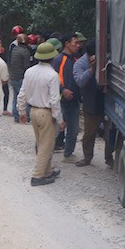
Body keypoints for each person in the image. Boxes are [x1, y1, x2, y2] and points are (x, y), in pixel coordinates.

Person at [17, 42, 65, 186]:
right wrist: (60, 119)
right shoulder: (52, 75)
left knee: (41, 142)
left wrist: (21, 111)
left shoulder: (29, 71)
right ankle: (37, 176)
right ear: (52, 57)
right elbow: (55, 100)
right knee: (46, 146)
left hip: (33, 111)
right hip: (46, 113)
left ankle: (48, 170)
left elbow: (22, 94)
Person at [73, 39, 113, 167]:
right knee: (89, 133)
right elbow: (79, 81)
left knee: (109, 133)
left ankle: (109, 158)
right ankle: (87, 157)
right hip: (91, 103)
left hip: (107, 102)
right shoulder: (80, 63)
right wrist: (92, 69)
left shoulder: (108, 60)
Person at [51, 33, 81, 161]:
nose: (78, 46)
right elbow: (52, 79)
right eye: (75, 43)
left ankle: (68, 154)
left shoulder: (76, 59)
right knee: (56, 128)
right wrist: (63, 90)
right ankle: (46, 152)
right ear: (67, 44)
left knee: (73, 130)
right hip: (61, 101)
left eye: (79, 43)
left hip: (74, 101)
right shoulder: (59, 60)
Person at [8, 33, 31, 123]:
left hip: (13, 77)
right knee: (26, 98)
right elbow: (26, 67)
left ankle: (16, 116)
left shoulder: (14, 49)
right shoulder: (25, 52)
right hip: (21, 77)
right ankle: (26, 116)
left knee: (15, 97)